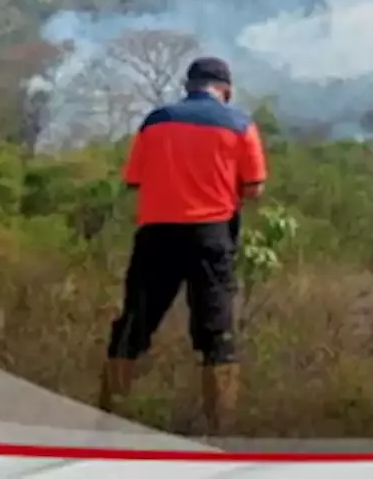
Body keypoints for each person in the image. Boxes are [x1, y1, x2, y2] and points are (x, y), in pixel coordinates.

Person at [98, 57, 268, 434]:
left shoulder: (156, 122)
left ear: (188, 85)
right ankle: (220, 434)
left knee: (133, 325)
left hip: (156, 234)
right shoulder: (241, 124)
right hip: (211, 236)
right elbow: (254, 189)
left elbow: (134, 178)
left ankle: (108, 421)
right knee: (216, 333)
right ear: (225, 89)